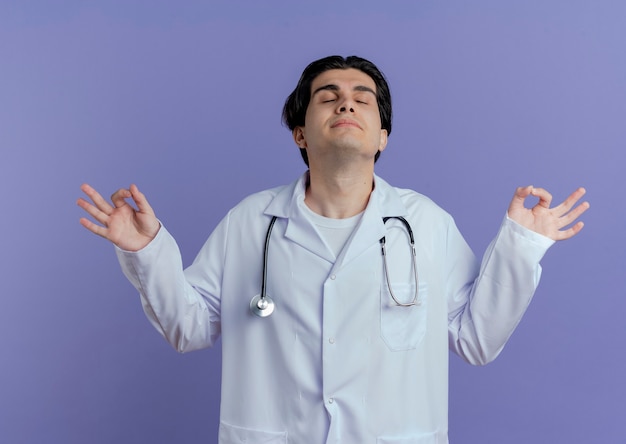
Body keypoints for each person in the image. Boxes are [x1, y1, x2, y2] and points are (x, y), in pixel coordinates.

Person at [77, 55, 589, 443]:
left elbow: (477, 338)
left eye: (362, 98)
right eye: (328, 96)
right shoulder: (250, 222)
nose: (347, 102)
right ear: (300, 133)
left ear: (382, 136)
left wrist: (521, 247)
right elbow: (188, 327)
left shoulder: (424, 223)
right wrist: (146, 251)